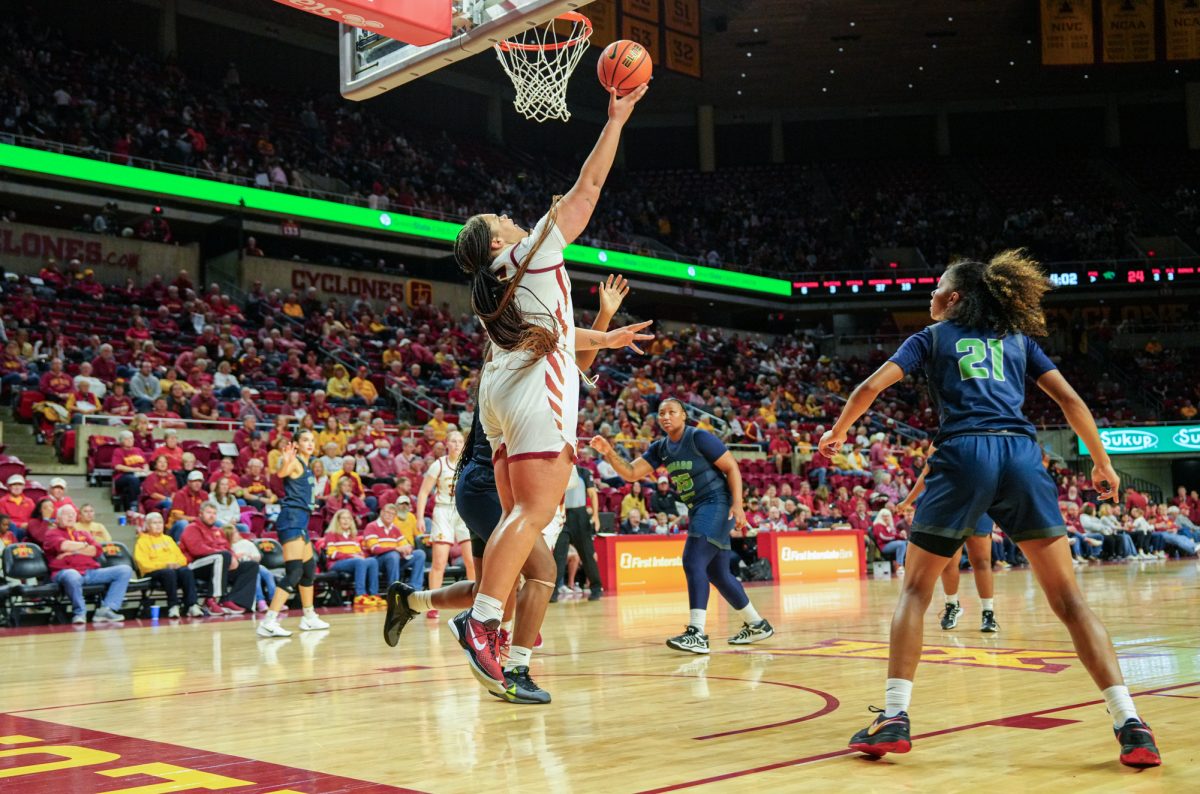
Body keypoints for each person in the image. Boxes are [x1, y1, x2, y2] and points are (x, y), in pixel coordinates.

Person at [821, 251, 1161, 767]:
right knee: (1069, 600)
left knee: (915, 590)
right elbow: (1070, 401)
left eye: (936, 286)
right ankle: (1130, 724)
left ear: (953, 298)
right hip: (1022, 457)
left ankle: (894, 716)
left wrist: (838, 431)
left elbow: (870, 387)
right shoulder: (1019, 341)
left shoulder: (930, 338)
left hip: (963, 453)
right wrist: (1101, 464)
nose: (930, 294)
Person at [386, 275, 634, 704]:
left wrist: (605, 318)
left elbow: (575, 362)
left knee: (495, 584)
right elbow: (570, 353)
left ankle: (411, 602)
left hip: (478, 484)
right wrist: (607, 329)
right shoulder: (521, 356)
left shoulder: (512, 358)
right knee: (541, 574)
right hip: (488, 484)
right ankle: (515, 665)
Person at [591, 398, 774, 653]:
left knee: (692, 560)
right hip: (699, 508)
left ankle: (696, 632)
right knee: (718, 573)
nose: (666, 416)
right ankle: (757, 624)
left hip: (718, 503)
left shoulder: (699, 438)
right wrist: (609, 452)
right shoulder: (660, 447)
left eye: (672, 412)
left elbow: (731, 467)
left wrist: (739, 504)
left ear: (684, 416)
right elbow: (631, 473)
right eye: (661, 413)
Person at [256, 429, 330, 637]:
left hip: (301, 520)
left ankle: (309, 617)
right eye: (305, 440)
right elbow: (281, 474)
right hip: (292, 518)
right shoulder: (295, 462)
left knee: (308, 569)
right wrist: (286, 460)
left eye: (312, 440)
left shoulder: (307, 465)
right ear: (296, 444)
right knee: (294, 572)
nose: (310, 443)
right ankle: (269, 621)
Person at [415, 430, 475, 618]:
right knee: (439, 562)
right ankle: (432, 604)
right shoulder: (438, 465)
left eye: (460, 441)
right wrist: (419, 517)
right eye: (453, 441)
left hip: (464, 510)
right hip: (443, 511)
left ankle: (476, 605)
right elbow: (424, 492)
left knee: (472, 561)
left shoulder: (468, 463)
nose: (457, 444)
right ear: (446, 444)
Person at [44, 504, 132, 624]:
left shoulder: (83, 534)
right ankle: (80, 613)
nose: (70, 516)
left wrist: (72, 550)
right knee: (72, 575)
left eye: (73, 514)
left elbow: (96, 550)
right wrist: (84, 546)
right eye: (66, 514)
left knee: (124, 570)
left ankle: (106, 610)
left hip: (90, 572)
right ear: (58, 518)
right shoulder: (52, 533)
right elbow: (63, 545)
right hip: (64, 572)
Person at [178, 503, 259, 616]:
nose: (212, 516)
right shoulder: (191, 528)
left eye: (214, 513)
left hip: (219, 564)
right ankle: (211, 600)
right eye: (209, 513)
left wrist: (233, 557)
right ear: (200, 514)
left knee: (251, 566)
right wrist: (226, 555)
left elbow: (227, 548)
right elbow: (197, 550)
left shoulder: (217, 531)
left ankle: (233, 600)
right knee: (222, 556)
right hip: (195, 566)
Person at [134, 512, 203, 618]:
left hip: (172, 570)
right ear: (147, 526)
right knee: (168, 572)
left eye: (160, 522)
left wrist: (176, 564)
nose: (158, 525)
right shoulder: (142, 541)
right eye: (154, 523)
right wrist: (165, 565)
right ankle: (173, 606)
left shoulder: (168, 539)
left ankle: (192, 605)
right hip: (153, 573)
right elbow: (144, 565)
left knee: (186, 571)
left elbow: (182, 559)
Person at [551, 462, 603, 601]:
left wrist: (596, 516)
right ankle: (553, 593)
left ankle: (596, 588)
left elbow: (592, 494)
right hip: (562, 515)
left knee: (587, 554)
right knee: (558, 556)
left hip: (580, 515)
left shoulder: (583, 472)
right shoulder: (557, 469)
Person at [363, 501, 426, 593]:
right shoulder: (372, 526)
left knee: (420, 554)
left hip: (396, 559)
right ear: (381, 512)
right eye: (387, 513)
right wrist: (396, 549)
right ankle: (394, 590)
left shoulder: (395, 529)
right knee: (393, 555)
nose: (389, 516)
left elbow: (404, 544)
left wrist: (408, 548)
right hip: (378, 561)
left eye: (392, 514)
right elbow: (374, 549)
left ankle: (415, 589)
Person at [324, 508, 383, 606]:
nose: (346, 521)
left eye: (348, 518)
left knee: (372, 561)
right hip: (336, 563)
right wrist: (351, 556)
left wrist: (360, 556)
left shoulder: (352, 535)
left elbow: (359, 552)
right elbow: (332, 554)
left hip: (352, 562)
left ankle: (374, 594)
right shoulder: (331, 534)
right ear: (337, 520)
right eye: (343, 518)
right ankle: (360, 596)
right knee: (359, 562)